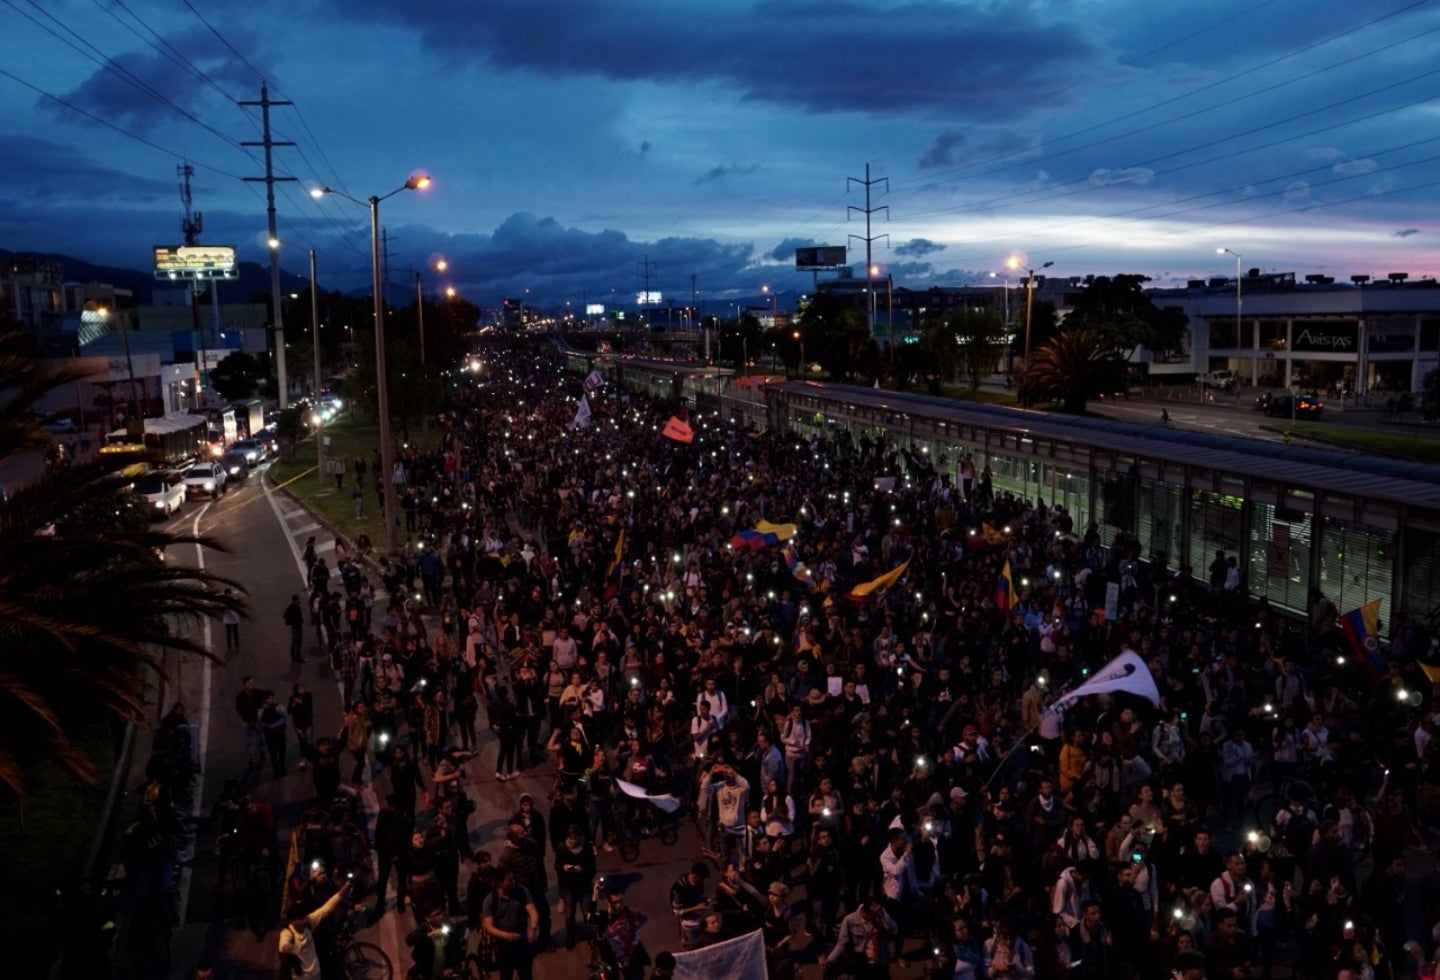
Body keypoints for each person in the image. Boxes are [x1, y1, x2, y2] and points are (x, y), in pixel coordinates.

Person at [276, 878, 351, 979]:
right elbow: (283, 944)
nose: (304, 921)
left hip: (316, 973)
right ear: (293, 920)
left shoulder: (310, 921)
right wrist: (291, 948)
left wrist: (345, 888)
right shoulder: (288, 932)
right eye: (300, 918)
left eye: (304, 917)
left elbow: (327, 908)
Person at [481, 869, 539, 980]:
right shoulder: (490, 900)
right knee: (506, 975)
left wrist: (533, 928)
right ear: (499, 883)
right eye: (509, 880)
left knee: (526, 975)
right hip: (504, 947)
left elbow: (532, 911)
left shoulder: (522, 892)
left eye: (513, 879)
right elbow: (488, 926)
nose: (513, 882)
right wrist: (506, 935)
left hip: (522, 942)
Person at [825, 896, 897, 979]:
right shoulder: (849, 920)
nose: (870, 921)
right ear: (863, 910)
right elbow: (842, 943)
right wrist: (831, 960)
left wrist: (883, 916)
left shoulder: (881, 915)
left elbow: (895, 930)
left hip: (881, 961)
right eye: (868, 919)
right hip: (862, 962)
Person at [604, 889, 651, 980]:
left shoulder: (628, 912)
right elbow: (612, 941)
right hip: (620, 957)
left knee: (638, 976)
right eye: (615, 902)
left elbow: (636, 930)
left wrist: (630, 951)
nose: (619, 905)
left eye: (620, 901)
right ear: (608, 903)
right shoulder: (606, 919)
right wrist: (623, 956)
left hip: (634, 953)